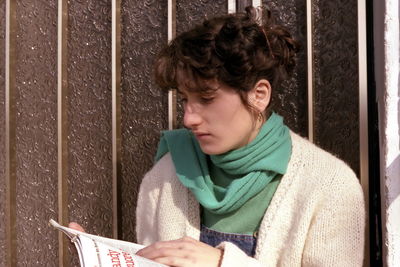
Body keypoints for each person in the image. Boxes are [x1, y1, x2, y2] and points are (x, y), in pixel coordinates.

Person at [71, 6, 365, 267]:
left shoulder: (329, 185)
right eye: (185, 99)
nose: (189, 118)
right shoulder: (165, 176)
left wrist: (221, 263)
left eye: (207, 98)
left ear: (259, 95)